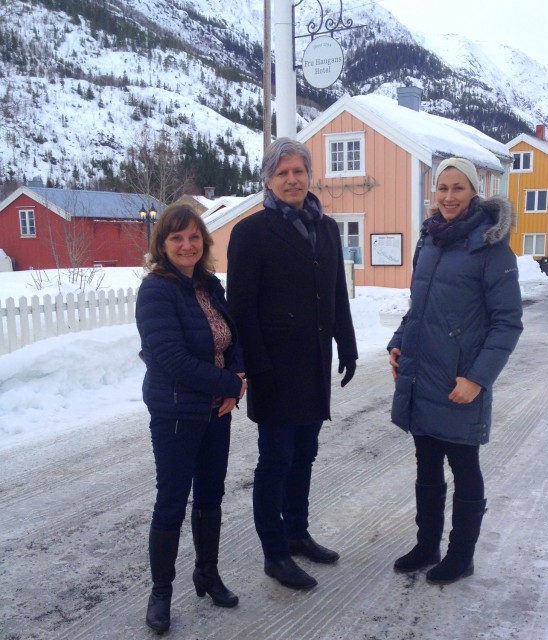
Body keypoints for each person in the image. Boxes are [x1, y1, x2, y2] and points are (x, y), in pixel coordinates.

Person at [226, 137, 358, 590]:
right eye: (281, 173)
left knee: (305, 454)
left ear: (309, 176)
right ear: (267, 179)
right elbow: (240, 308)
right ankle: (274, 553)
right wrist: (255, 368)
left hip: (314, 365)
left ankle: (297, 533)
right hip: (274, 371)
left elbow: (336, 291)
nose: (291, 179)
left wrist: (348, 343)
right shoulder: (251, 233)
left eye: (298, 171)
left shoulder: (326, 228)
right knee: (276, 460)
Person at [388, 157, 523, 585]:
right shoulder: (428, 241)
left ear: (473, 191)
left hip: (459, 381)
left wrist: (478, 379)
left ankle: (460, 554)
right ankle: (427, 545)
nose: (448, 197)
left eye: (457, 188)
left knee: (464, 467)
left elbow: (507, 322)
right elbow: (419, 307)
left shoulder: (492, 247)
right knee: (426, 466)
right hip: (421, 374)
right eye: (442, 188)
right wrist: (397, 341)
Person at [136, 203, 247, 633]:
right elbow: (169, 358)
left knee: (211, 497)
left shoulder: (209, 285)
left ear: (204, 241)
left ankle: (208, 572)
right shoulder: (156, 291)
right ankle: (161, 590)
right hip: (177, 412)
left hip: (216, 413)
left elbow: (231, 338)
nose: (187, 245)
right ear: (162, 245)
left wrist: (236, 375)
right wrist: (229, 386)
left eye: (194, 236)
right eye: (177, 238)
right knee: (171, 502)